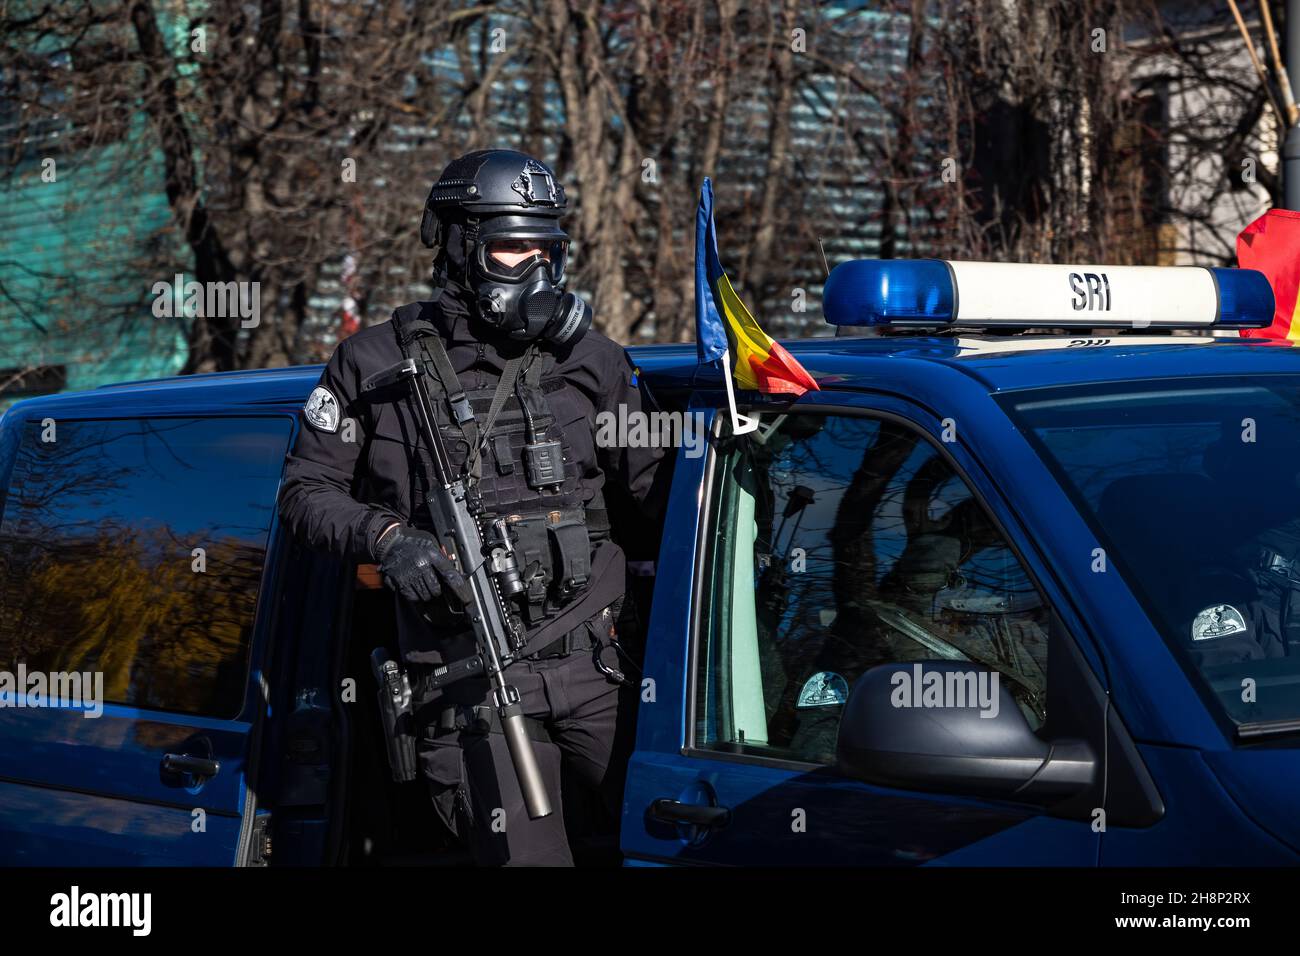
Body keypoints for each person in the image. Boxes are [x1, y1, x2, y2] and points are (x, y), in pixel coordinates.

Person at [278, 149, 666, 865]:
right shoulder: (372, 365)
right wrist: (387, 537)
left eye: (547, 250)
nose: (536, 272)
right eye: (512, 248)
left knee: (686, 836)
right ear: (458, 244)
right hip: (473, 686)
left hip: (600, 673)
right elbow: (304, 493)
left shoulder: (594, 360)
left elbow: (662, 505)